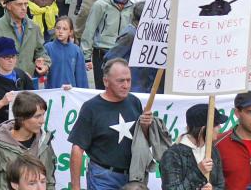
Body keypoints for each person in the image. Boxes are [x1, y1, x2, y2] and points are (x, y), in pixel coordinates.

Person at [68, 58, 153, 190]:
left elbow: (142, 140)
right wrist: (75, 187)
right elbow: (77, 149)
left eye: (128, 80)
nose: (126, 85)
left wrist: (146, 126)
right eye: (120, 80)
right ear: (106, 81)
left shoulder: (134, 102)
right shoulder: (91, 108)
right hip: (103, 177)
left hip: (134, 176)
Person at [0, 91, 57, 190]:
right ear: (21, 119)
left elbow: (50, 181)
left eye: (43, 115)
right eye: (37, 116)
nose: (42, 121)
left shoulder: (44, 141)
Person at [80, 0, 135, 86]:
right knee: (103, 88)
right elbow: (89, 30)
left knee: (120, 88)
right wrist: (86, 56)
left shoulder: (131, 6)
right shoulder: (100, 5)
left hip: (122, 52)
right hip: (103, 52)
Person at [0, 0, 49, 77]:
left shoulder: (34, 27)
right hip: (4, 84)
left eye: (25, 4)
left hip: (28, 83)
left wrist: (44, 63)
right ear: (8, 6)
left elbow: (40, 51)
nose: (24, 8)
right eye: (19, 4)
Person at [161, 103, 226, 190]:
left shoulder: (213, 151)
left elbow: (221, 185)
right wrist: (199, 172)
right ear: (204, 129)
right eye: (216, 124)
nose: (219, 127)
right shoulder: (172, 154)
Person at [44, 16, 88, 88]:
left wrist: (83, 94)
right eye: (58, 28)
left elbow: (81, 76)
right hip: (52, 91)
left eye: (64, 29)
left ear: (70, 32)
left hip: (70, 92)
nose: (60, 31)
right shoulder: (48, 48)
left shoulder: (76, 50)